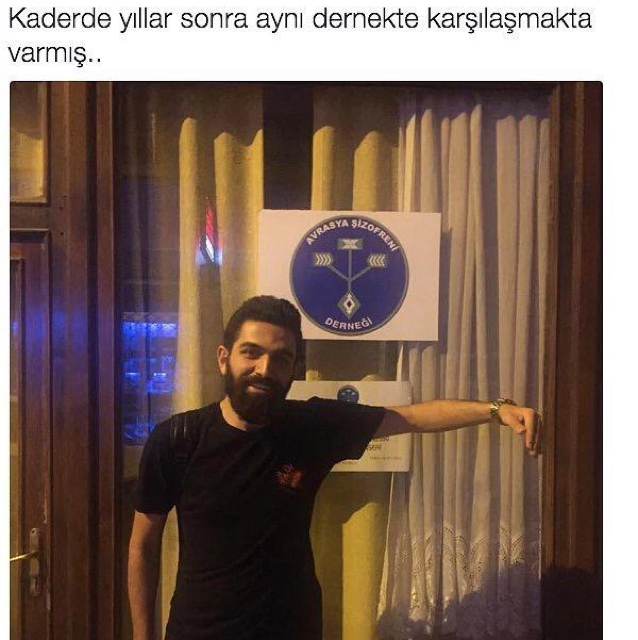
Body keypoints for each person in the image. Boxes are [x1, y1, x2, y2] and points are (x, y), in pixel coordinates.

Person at [128, 295, 540, 640]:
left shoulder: (311, 426)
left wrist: (496, 410)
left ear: (293, 370)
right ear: (224, 358)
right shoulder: (177, 439)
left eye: (281, 359)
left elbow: (413, 417)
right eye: (251, 353)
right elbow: (143, 546)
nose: (264, 370)